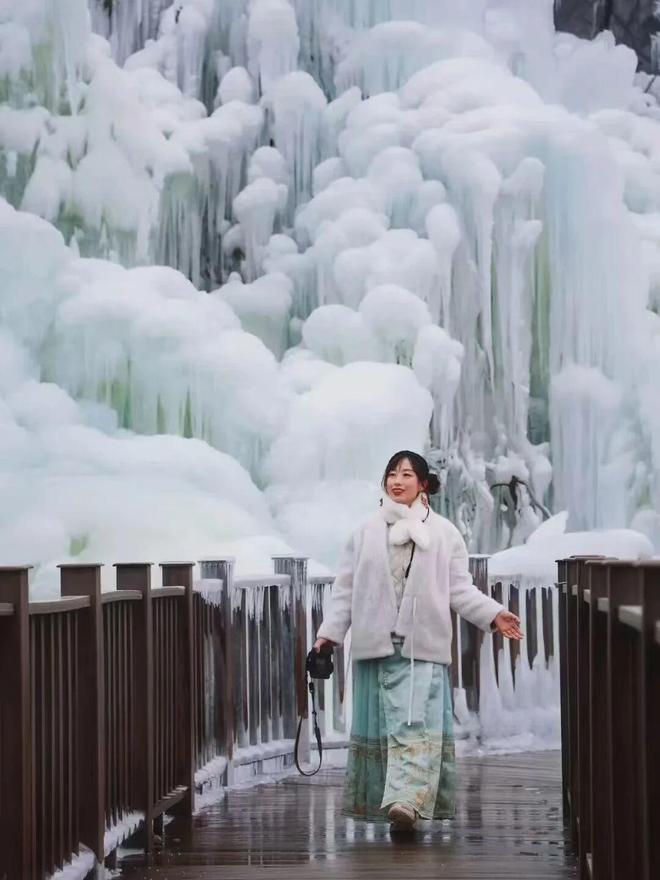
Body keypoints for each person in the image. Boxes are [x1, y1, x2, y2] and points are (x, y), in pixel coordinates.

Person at [313, 450, 523, 831]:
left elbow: (460, 589)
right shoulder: (364, 533)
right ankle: (393, 804)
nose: (397, 481)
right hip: (374, 648)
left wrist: (493, 613)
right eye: (391, 473)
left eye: (406, 474)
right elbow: (344, 592)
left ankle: (407, 803)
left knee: (414, 726)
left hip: (422, 648)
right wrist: (327, 638)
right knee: (383, 729)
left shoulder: (443, 534)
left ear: (423, 484)